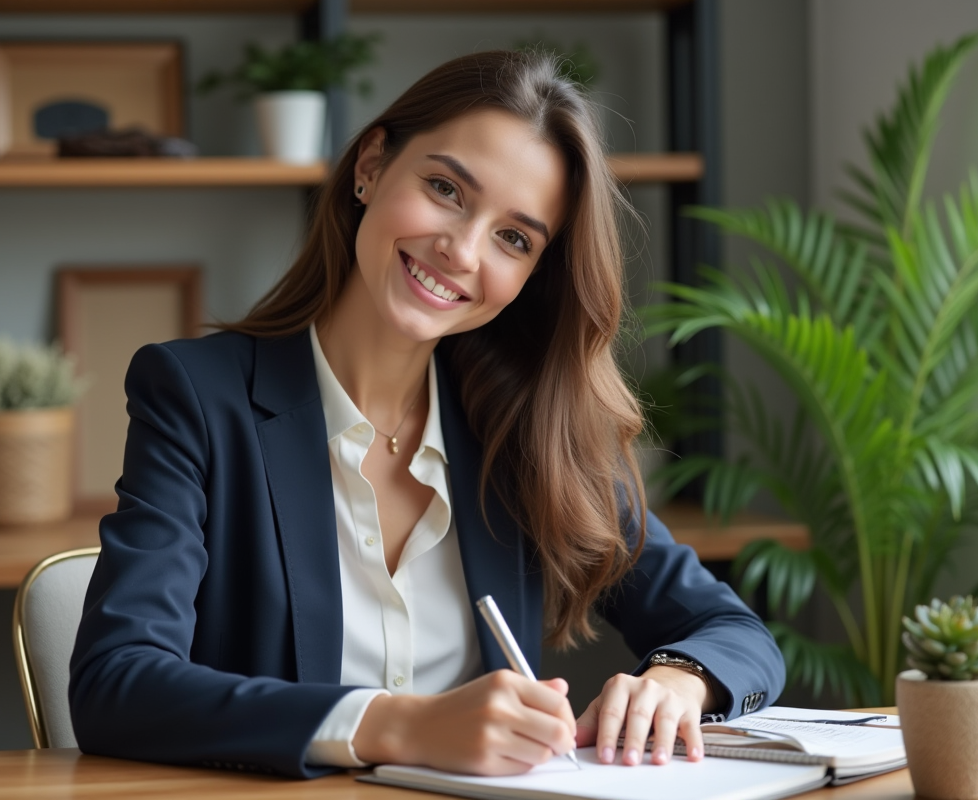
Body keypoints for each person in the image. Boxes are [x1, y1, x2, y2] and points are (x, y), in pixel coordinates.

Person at [69, 49, 784, 780]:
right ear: (372, 165)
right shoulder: (195, 394)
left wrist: (676, 680)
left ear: (533, 275)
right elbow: (116, 684)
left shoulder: (531, 428)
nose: (462, 251)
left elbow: (733, 633)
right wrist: (398, 724)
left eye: (515, 238)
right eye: (446, 188)